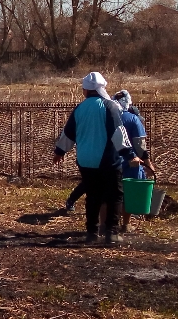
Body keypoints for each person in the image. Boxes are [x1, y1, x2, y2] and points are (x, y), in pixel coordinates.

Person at [53, 72, 141, 245]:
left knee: (93, 196)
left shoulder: (80, 108)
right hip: (108, 160)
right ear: (102, 88)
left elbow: (68, 134)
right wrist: (130, 155)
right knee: (115, 195)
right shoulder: (110, 107)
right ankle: (112, 233)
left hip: (85, 160)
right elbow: (119, 134)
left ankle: (92, 233)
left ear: (86, 90)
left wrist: (60, 151)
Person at [114, 90, 156, 232]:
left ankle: (105, 224)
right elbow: (140, 145)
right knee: (129, 193)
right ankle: (126, 224)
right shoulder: (132, 119)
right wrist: (148, 163)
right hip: (131, 161)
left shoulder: (108, 117)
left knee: (110, 192)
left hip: (111, 161)